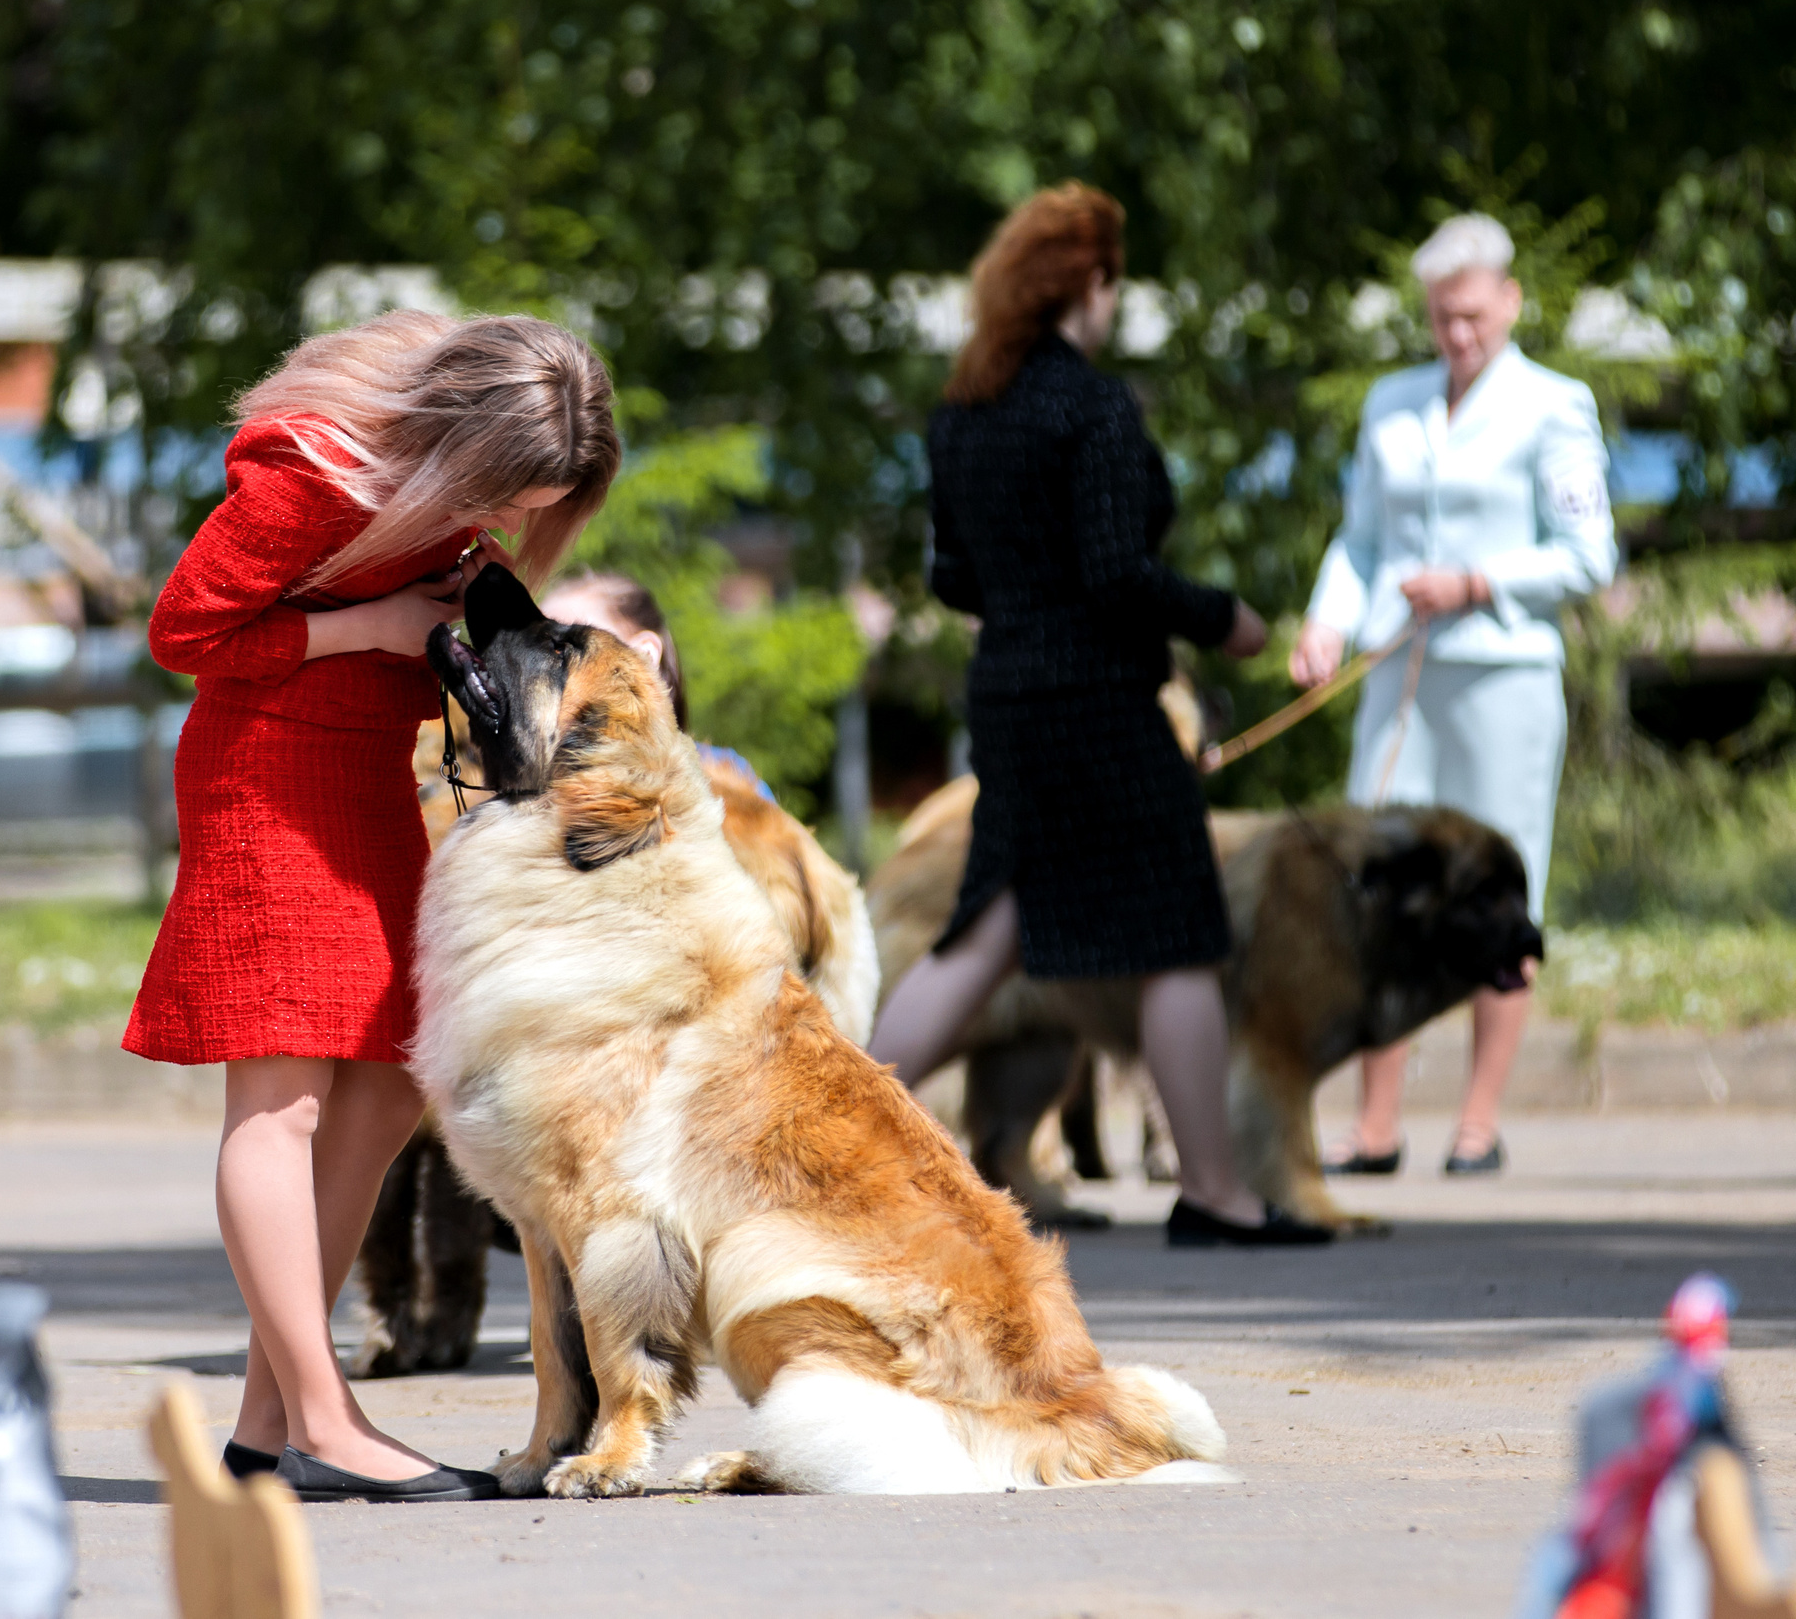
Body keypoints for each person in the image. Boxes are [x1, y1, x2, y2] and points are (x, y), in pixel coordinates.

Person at [125, 309, 619, 1500]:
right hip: (267, 776)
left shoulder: (440, 509)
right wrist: (377, 627)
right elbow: (181, 630)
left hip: (358, 778)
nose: (510, 520)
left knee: (396, 1075)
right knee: (280, 1095)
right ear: (464, 441)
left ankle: (266, 1430)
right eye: (507, 489)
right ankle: (324, 1414)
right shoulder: (313, 479)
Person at [865, 182, 1331, 1248]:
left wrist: (1025, 609)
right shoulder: (1093, 408)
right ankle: (1212, 1192)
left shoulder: (963, 411)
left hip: (1012, 696)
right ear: (1089, 282)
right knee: (1177, 940)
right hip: (1106, 706)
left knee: (987, 935)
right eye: (1115, 281)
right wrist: (1228, 620)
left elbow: (950, 574)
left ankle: (820, 1119)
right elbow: (1119, 573)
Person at [1291, 213, 1618, 1177]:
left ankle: (1477, 1120)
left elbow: (1588, 554)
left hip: (1505, 679)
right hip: (1399, 676)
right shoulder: (1391, 403)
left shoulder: (1555, 405)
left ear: (1510, 301)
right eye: (1441, 318)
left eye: (1472, 315)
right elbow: (1359, 542)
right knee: (1382, 887)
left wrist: (1478, 582)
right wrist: (1326, 622)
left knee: (1495, 894)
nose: (1457, 334)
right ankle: (1378, 1121)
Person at [537, 570, 777, 800]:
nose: (537, 666)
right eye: (535, 646)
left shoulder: (729, 784)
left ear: (643, 656)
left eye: (563, 647)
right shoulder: (522, 788)